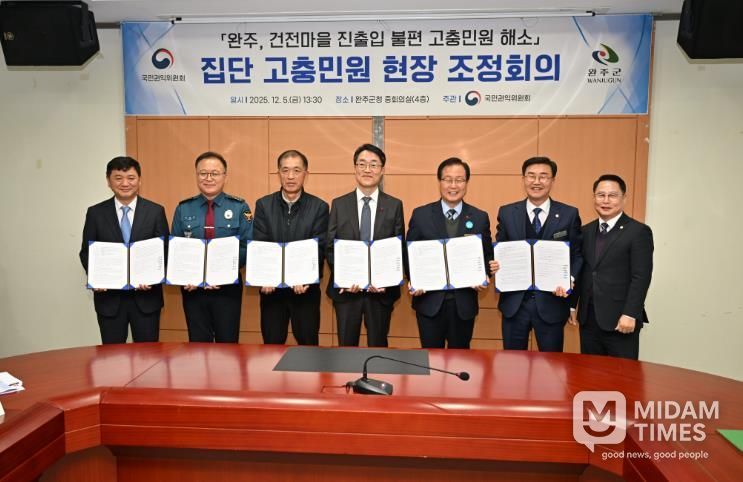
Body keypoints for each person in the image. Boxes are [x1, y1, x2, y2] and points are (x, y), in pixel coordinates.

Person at [491, 156, 583, 352]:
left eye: (543, 176)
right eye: (531, 176)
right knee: (513, 364)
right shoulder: (507, 213)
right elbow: (500, 250)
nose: (536, 181)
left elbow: (577, 254)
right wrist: (495, 264)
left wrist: (570, 279)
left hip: (552, 303)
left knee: (552, 366)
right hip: (514, 305)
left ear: (552, 180)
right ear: (523, 179)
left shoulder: (569, 214)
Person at [79, 156, 169, 344]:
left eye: (131, 178)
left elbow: (165, 250)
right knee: (112, 356)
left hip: (146, 299)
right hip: (109, 300)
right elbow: (86, 252)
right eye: (118, 178)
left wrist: (154, 277)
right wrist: (96, 278)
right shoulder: (95, 213)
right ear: (108, 181)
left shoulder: (155, 211)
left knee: (148, 355)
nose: (125, 183)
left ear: (139, 180)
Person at [407, 158, 492, 349]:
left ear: (466, 183)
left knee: (461, 359)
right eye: (448, 179)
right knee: (431, 359)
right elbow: (409, 255)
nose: (453, 185)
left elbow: (487, 255)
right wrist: (414, 280)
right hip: (429, 303)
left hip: (463, 304)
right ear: (439, 181)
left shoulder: (480, 217)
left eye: (459, 180)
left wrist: (485, 275)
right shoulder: (421, 215)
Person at [326, 143, 405, 347]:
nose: (367, 170)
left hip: (380, 293)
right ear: (355, 168)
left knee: (378, 347)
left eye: (373, 164)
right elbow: (330, 246)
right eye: (362, 164)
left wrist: (386, 280)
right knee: (346, 348)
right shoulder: (339, 204)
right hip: (347, 292)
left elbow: (398, 248)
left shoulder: (394, 205)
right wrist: (344, 277)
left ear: (382, 170)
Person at [569, 174, 653, 360]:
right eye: (601, 195)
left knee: (622, 374)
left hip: (621, 320)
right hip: (589, 319)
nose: (605, 201)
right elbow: (582, 270)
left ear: (624, 198)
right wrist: (573, 305)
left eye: (612, 195)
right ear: (594, 198)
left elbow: (641, 277)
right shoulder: (585, 231)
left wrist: (630, 313)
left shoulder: (638, 232)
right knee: (590, 373)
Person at [171, 151, 252, 343]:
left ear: (225, 176)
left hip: (227, 288)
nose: (208, 178)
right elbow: (175, 248)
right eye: (203, 173)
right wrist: (187, 275)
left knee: (228, 344)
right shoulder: (183, 208)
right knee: (198, 345)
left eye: (214, 173)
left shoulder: (240, 207)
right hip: (193, 288)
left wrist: (220, 273)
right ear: (196, 175)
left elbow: (247, 246)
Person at [253, 150, 329, 345]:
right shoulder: (264, 205)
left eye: (296, 170)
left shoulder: (319, 207)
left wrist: (305, 277)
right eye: (285, 170)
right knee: (271, 349)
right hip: (272, 292)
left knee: (308, 349)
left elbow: (319, 247)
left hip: (305, 291)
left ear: (306, 174)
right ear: (278, 173)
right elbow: (260, 243)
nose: (290, 176)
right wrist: (265, 277)